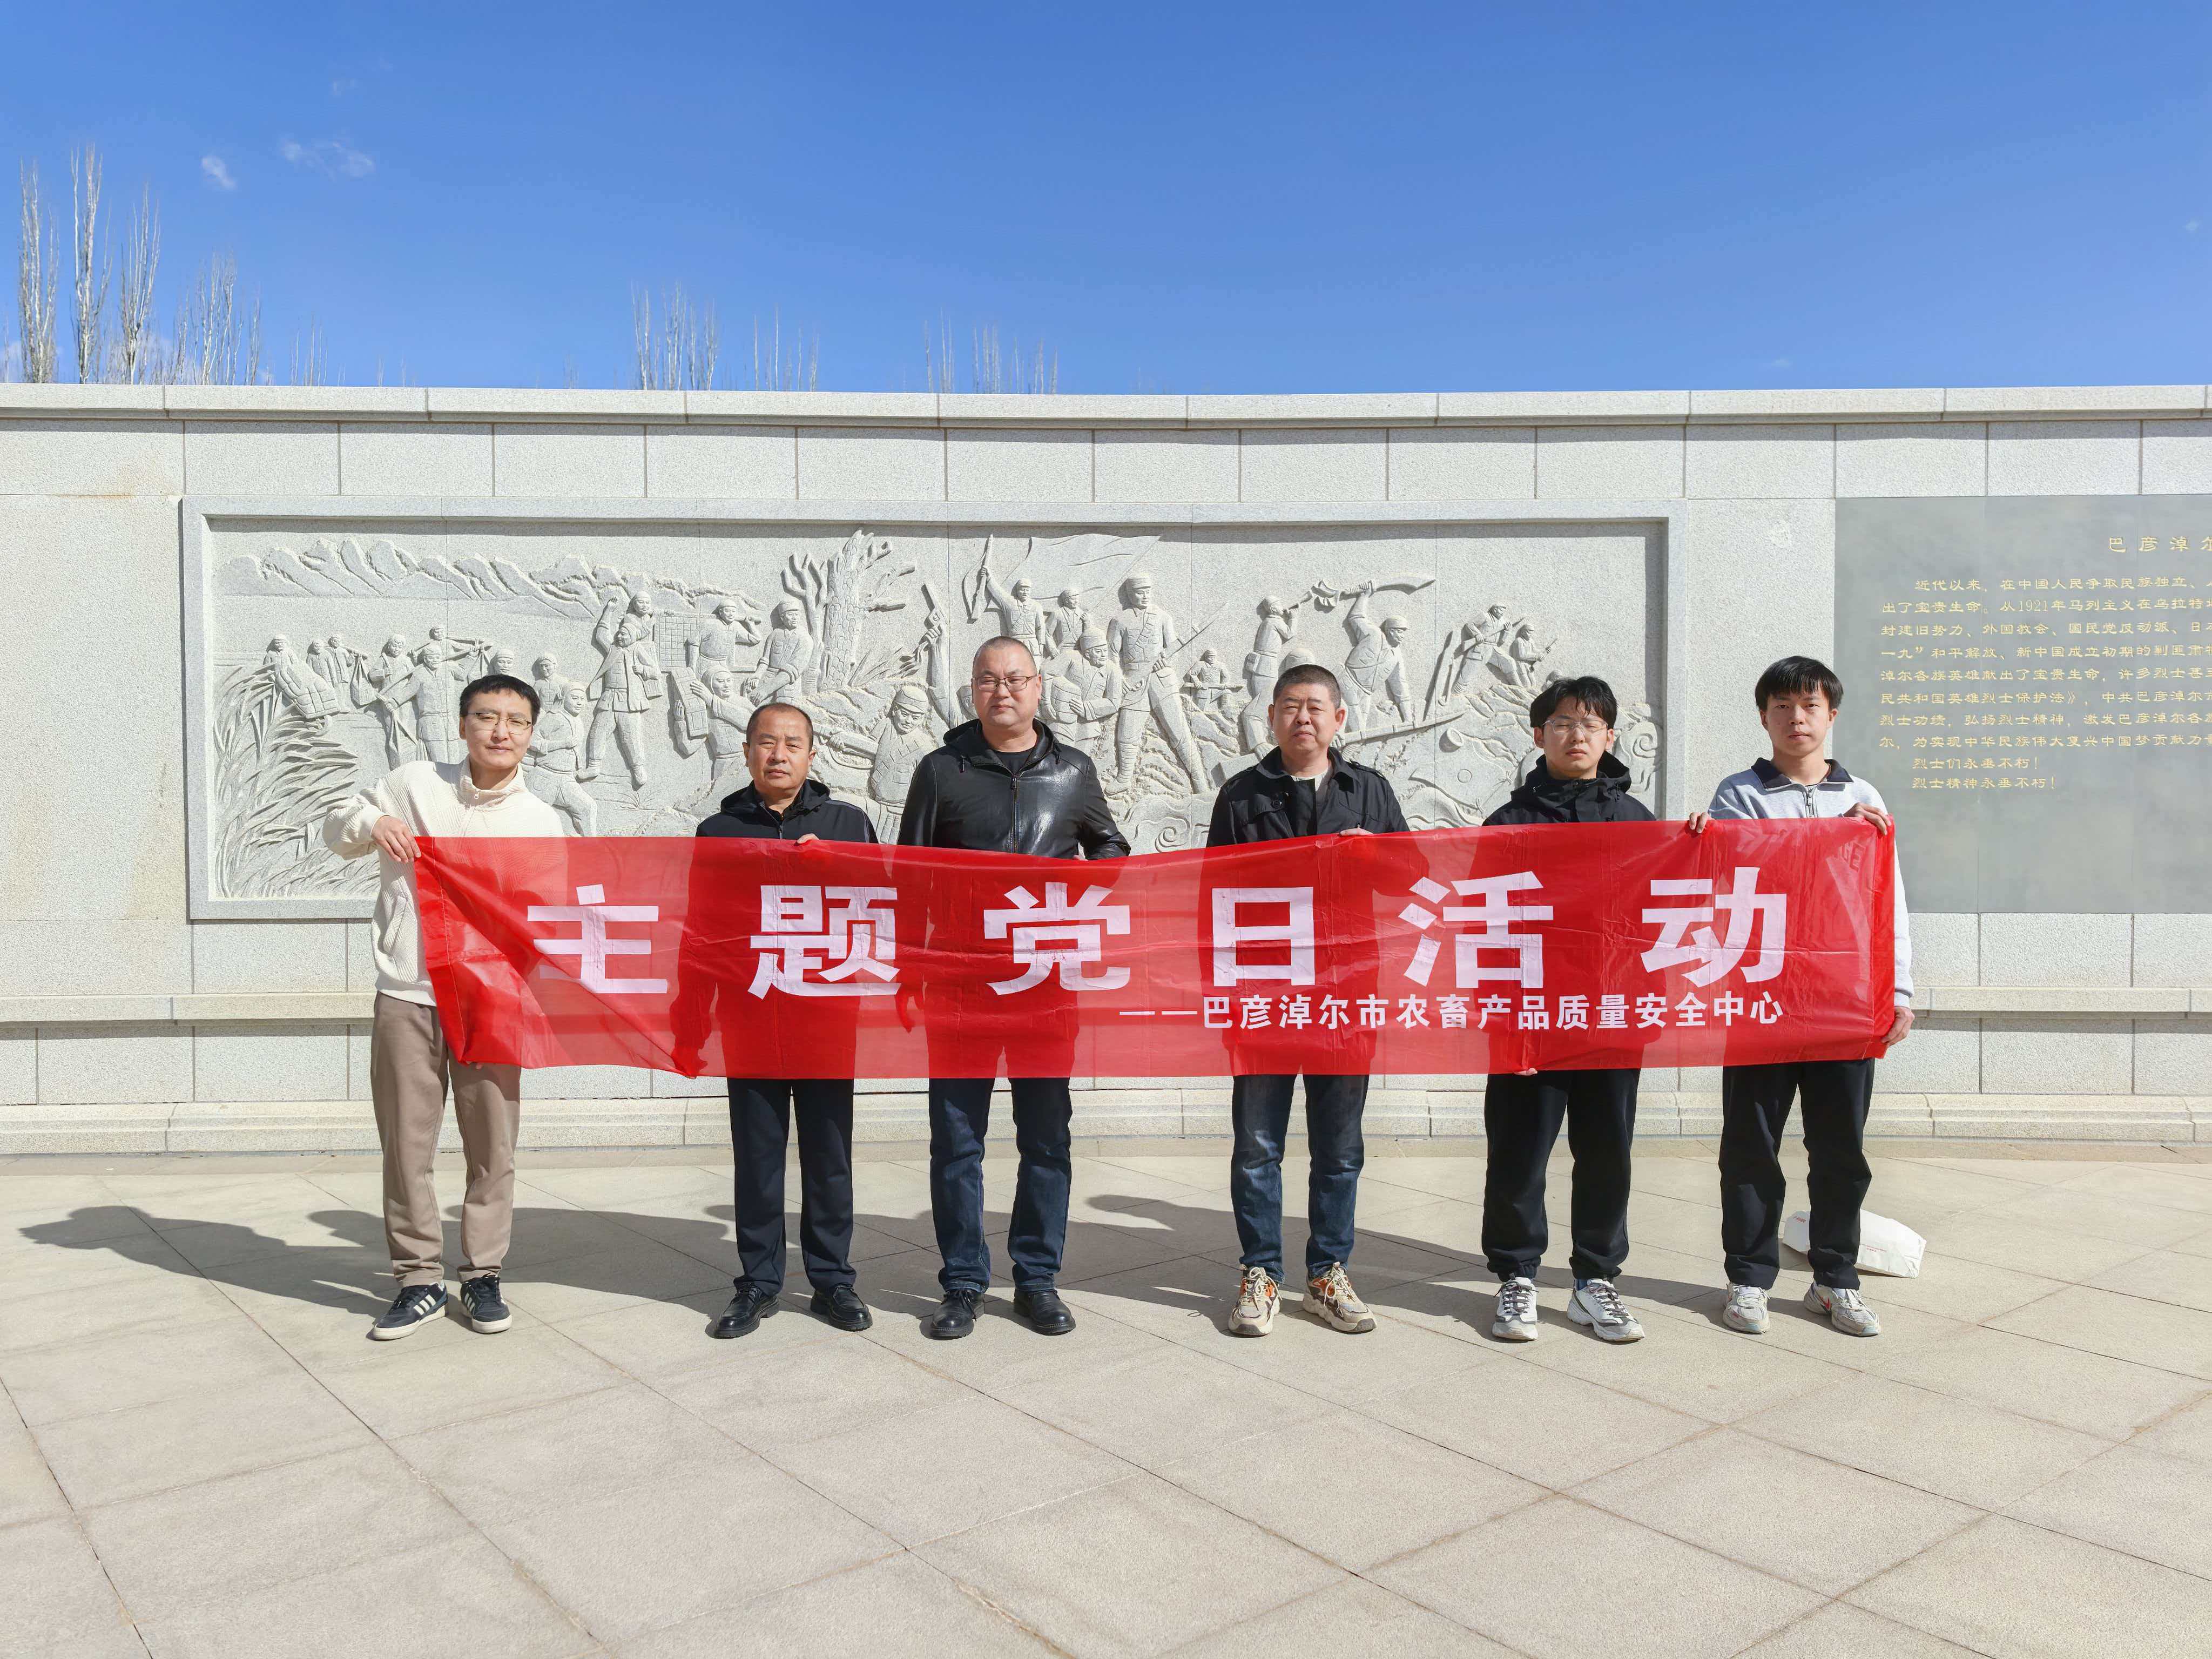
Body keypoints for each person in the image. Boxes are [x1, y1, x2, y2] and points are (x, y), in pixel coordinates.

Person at [898, 637, 1129, 1340]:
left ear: (1037, 686)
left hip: (1044, 982)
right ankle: (963, 1283)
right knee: (956, 1141)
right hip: (959, 983)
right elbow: (908, 876)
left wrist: (1087, 876)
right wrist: (909, 972)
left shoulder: (1072, 770)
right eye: (989, 680)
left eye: (1016, 679)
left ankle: (1036, 1279)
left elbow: (1111, 846)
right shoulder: (941, 771)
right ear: (973, 690)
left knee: (1046, 1138)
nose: (1003, 691)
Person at [323, 674, 565, 1340]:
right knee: (406, 1146)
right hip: (408, 995)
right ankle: (418, 1280)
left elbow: (552, 919)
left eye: (515, 721)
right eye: (486, 717)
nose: (500, 731)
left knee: (493, 1145)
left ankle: (482, 1273)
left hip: (491, 1000)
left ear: (531, 735)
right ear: (462, 726)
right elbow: (337, 829)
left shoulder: (539, 822)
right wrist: (373, 821)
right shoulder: (413, 786)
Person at [1688, 655, 1914, 1339]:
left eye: (1809, 706)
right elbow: (1740, 872)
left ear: (1831, 716)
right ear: (1764, 718)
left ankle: (1834, 1279)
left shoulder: (1863, 796)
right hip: (1763, 994)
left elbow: (1888, 902)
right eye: (1782, 706)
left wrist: (1898, 989)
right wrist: (1711, 844)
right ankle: (1748, 1279)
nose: (1796, 718)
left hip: (1845, 997)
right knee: (1751, 1144)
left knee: (1840, 1148)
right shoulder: (1738, 794)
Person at [1205, 663, 1408, 1338]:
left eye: (1316, 707)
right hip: (1262, 995)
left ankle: (1327, 1274)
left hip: (1346, 995)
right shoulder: (1241, 795)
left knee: (1339, 1147)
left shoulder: (1368, 790)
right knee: (1257, 1145)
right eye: (1290, 707)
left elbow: (1412, 874)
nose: (1303, 719)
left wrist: (1377, 856)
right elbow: (1210, 896)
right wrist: (1220, 994)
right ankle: (1261, 1272)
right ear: (1271, 717)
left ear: (1339, 719)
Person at [685, 703, 879, 1341]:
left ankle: (833, 1280)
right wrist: (692, 1017)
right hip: (750, 1011)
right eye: (766, 742)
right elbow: (701, 928)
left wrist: (838, 869)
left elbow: (883, 905)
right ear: (746, 752)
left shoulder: (847, 824)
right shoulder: (718, 830)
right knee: (758, 1155)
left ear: (811, 755)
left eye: (792, 743)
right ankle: (758, 1281)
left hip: (826, 1013)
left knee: (829, 1154)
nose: (778, 754)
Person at [1479, 676, 1653, 1345]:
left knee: (1607, 1151)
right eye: (1561, 723)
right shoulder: (1508, 824)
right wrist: (1501, 1020)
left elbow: (1666, 916)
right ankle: (1517, 1275)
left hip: (1611, 1013)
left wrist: (1700, 841)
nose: (1575, 735)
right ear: (1538, 735)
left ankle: (1594, 1280)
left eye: (1589, 724)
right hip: (1530, 1017)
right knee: (1519, 1153)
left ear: (1609, 738)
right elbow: (1483, 930)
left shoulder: (1639, 823)